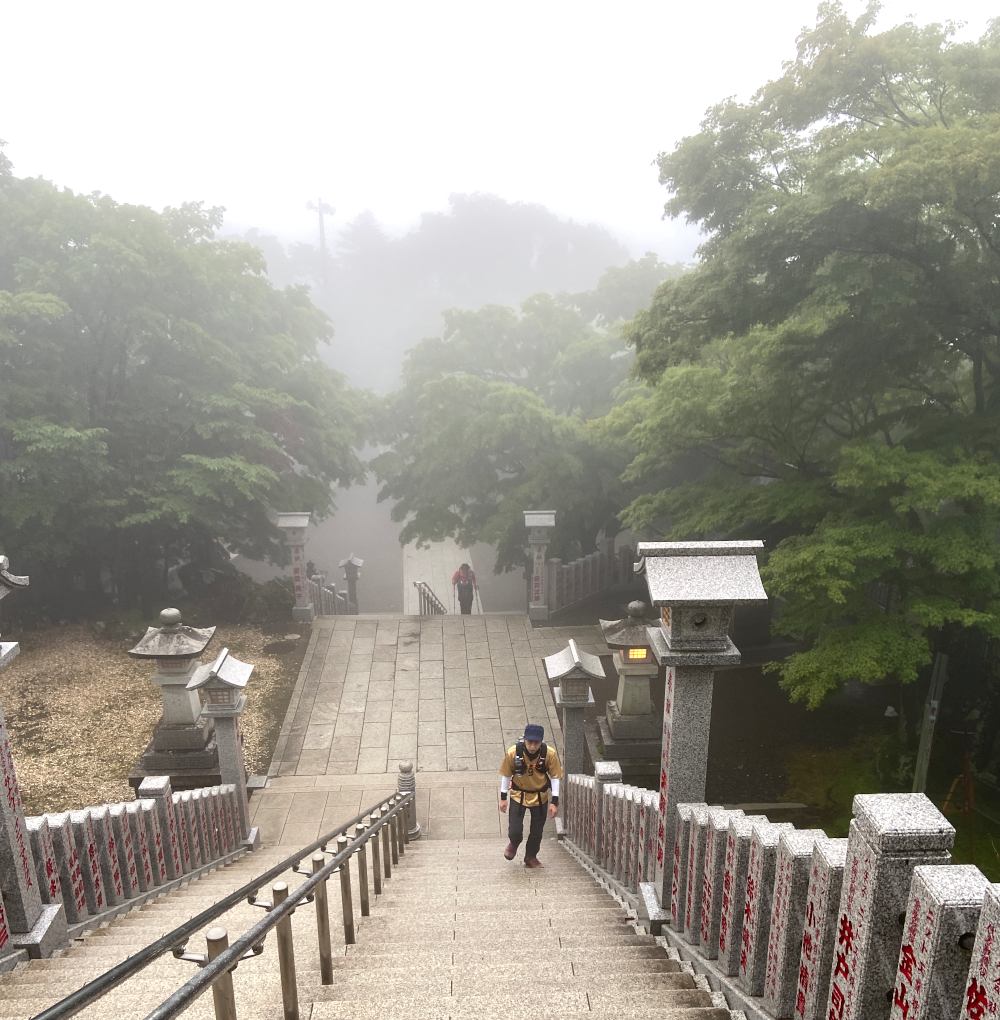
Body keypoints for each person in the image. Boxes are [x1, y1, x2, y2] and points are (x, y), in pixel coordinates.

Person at [498, 723, 563, 868]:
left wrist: (555, 801)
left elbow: (555, 777)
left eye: (536, 743)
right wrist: (503, 798)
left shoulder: (549, 754)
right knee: (515, 829)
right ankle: (514, 842)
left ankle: (531, 856)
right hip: (518, 794)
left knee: (537, 830)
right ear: (524, 739)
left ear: (541, 742)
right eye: (530, 742)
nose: (532, 746)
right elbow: (506, 775)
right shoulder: (513, 753)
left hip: (540, 796)